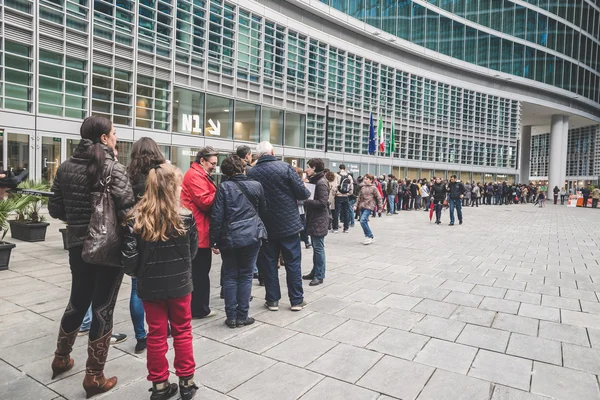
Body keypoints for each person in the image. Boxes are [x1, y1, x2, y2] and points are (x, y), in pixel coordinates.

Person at [48, 115, 135, 397]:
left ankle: (61, 357)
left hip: (76, 244)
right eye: (113, 133)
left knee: (77, 301)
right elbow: (128, 214)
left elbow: (55, 209)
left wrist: (78, 220)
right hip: (108, 248)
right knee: (102, 308)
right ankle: (94, 376)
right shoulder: (113, 168)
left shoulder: (65, 167)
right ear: (103, 138)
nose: (117, 137)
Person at [122, 163, 198, 400]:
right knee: (183, 331)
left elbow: (129, 259)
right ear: (173, 187)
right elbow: (192, 252)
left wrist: (140, 273)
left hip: (150, 286)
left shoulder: (135, 218)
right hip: (180, 285)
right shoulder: (185, 217)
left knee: (155, 334)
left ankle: (160, 386)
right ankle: (186, 382)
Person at [247, 141, 310, 312]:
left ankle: (272, 300)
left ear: (257, 155)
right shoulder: (285, 168)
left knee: (269, 263)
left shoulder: (252, 173)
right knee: (293, 262)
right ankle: (296, 300)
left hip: (266, 224)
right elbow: (303, 193)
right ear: (273, 152)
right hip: (288, 224)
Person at [210, 155, 267, 328]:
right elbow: (263, 210)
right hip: (252, 235)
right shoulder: (256, 185)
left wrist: (214, 241)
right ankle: (243, 315)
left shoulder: (223, 188)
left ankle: (231, 317)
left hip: (230, 237)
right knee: (246, 275)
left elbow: (217, 216)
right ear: (242, 168)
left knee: (230, 275)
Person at [125, 137, 169, 354]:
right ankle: (163, 328)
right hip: (162, 234)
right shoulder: (162, 173)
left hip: (139, 235)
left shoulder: (127, 175)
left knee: (137, 288)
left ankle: (141, 337)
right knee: (165, 285)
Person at [180, 147, 218, 319]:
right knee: (200, 272)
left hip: (200, 228)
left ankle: (198, 307)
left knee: (200, 271)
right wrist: (221, 193)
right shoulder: (195, 175)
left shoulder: (198, 174)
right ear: (202, 160)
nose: (214, 167)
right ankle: (200, 309)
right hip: (199, 230)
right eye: (212, 163)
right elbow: (205, 202)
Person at [301, 158, 329, 286]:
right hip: (314, 218)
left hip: (319, 219)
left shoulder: (321, 182)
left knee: (318, 248)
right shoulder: (315, 180)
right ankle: (315, 271)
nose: (306, 169)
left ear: (314, 168)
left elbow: (323, 203)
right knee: (316, 247)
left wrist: (306, 201)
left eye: (308, 167)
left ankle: (319, 275)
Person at [355, 174, 382, 245]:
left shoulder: (374, 188)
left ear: (371, 180)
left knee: (362, 220)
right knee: (364, 221)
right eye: (365, 179)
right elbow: (359, 197)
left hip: (369, 206)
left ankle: (370, 236)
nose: (365, 180)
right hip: (362, 206)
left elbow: (379, 198)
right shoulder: (362, 187)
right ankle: (367, 236)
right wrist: (355, 205)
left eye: (367, 179)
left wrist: (380, 208)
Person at [332, 164, 353, 233]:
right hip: (346, 196)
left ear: (339, 168)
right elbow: (351, 186)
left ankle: (335, 228)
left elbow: (335, 186)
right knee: (346, 212)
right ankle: (346, 228)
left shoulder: (337, 175)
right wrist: (349, 193)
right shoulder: (349, 176)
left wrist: (334, 193)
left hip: (338, 196)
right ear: (345, 168)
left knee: (336, 212)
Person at [295, 167, 311, 249]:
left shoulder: (302, 183)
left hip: (299, 207)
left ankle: (306, 241)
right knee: (302, 225)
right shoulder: (302, 183)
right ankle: (306, 241)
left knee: (302, 225)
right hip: (298, 208)